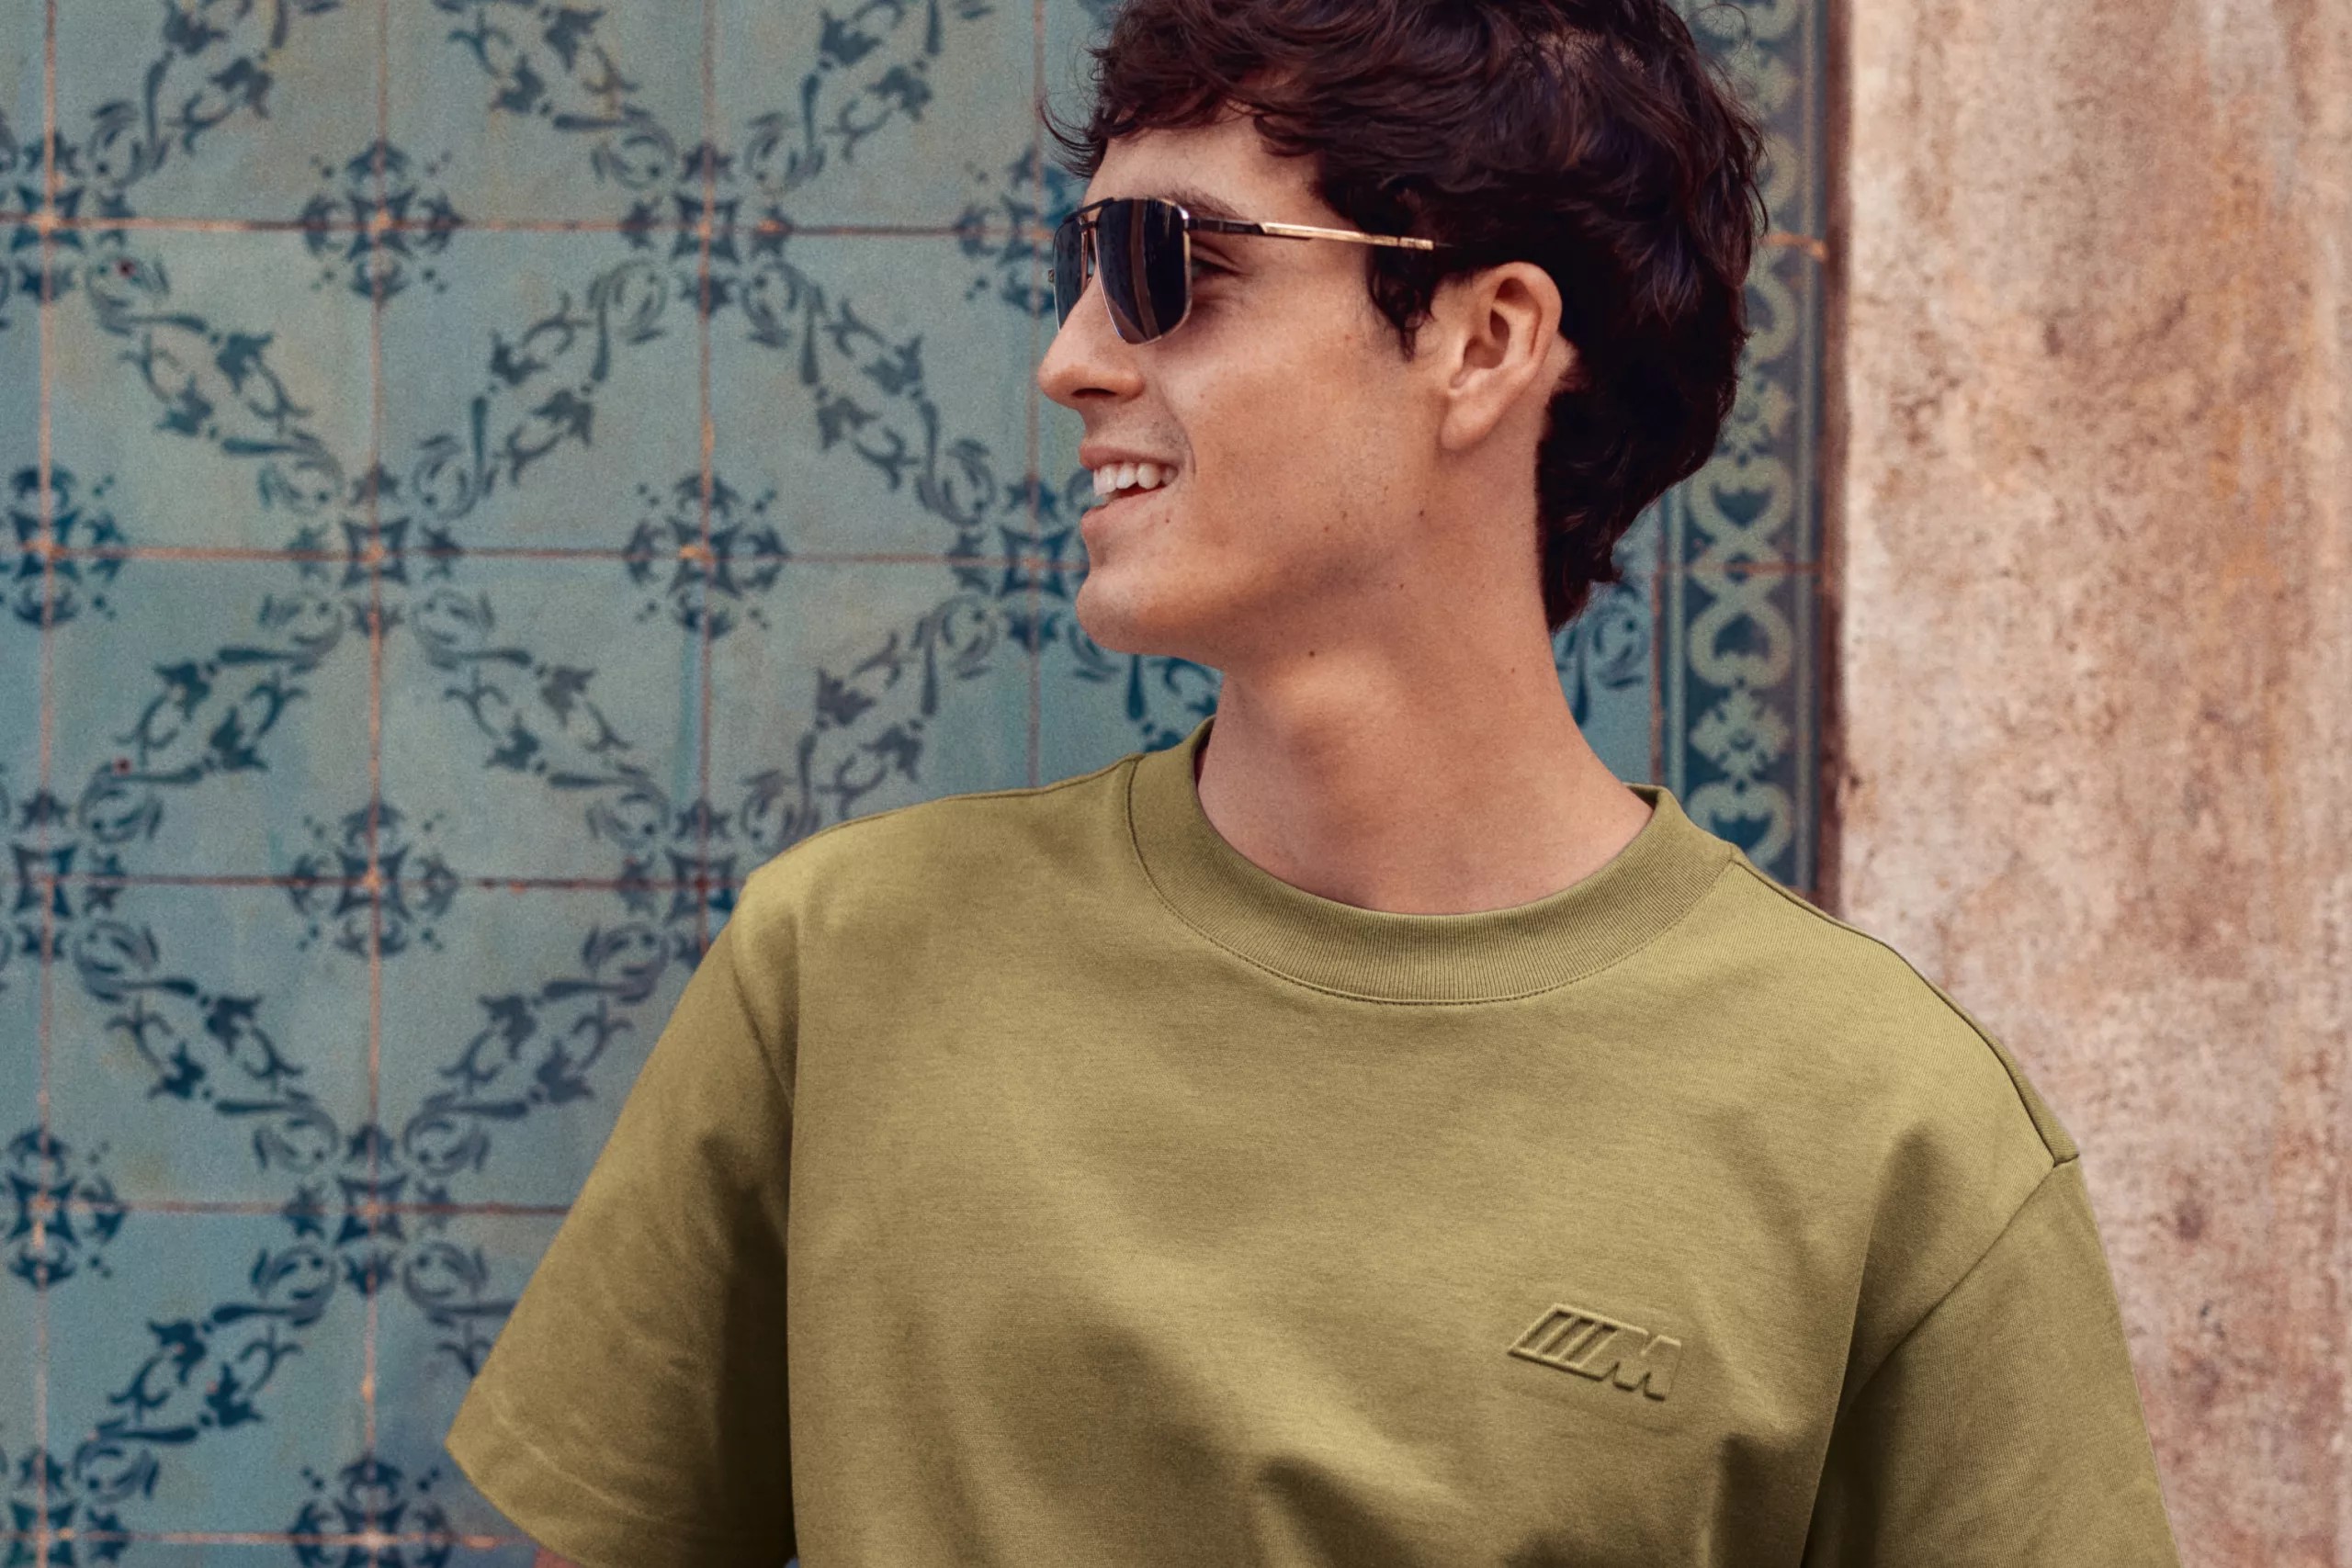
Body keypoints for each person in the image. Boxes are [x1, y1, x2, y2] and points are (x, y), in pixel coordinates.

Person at [443, 0, 2182, 1562]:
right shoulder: (842, 967)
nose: (1073, 356)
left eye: (1166, 265)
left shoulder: (1891, 1135)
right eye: (1085, 263)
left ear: (1486, 342)